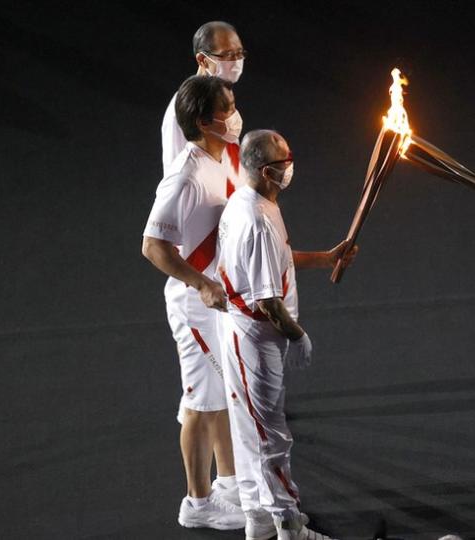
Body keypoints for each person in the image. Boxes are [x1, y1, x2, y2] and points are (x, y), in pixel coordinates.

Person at [218, 129, 354, 540]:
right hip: (258, 340)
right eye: (283, 163)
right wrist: (297, 335)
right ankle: (290, 526)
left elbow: (277, 259)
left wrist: (325, 258)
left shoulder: (248, 202)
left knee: (249, 429)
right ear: (264, 170)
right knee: (271, 434)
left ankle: (258, 520)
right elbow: (268, 303)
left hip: (244, 335)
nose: (290, 168)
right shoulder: (257, 219)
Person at [142, 75, 246, 529]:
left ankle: (228, 482)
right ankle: (198, 503)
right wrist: (199, 283)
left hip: (222, 300)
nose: (235, 113)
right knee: (199, 406)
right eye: (228, 107)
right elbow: (153, 246)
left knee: (218, 396)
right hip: (195, 306)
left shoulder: (228, 156)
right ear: (205, 121)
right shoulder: (184, 177)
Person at [162, 20, 246, 172]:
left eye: (239, 54)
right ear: (202, 60)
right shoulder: (183, 109)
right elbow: (177, 173)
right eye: (227, 55)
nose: (236, 62)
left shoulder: (223, 95)